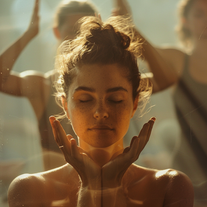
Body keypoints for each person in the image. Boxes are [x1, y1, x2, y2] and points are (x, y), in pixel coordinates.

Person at [7, 15, 193, 207]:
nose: (100, 112)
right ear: (65, 106)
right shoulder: (30, 189)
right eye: (85, 99)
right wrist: (90, 187)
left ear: (134, 103)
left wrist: (108, 187)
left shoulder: (169, 186)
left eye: (115, 100)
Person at [113, 0, 207, 206]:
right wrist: (129, 27)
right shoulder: (177, 60)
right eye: (200, 14)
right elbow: (133, 82)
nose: (206, 20)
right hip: (189, 173)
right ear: (185, 21)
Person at [0, 0, 98, 170]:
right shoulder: (44, 86)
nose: (79, 39)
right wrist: (29, 34)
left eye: (87, 31)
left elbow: (160, 80)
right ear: (56, 32)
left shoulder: (116, 84)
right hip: (58, 191)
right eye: (71, 31)